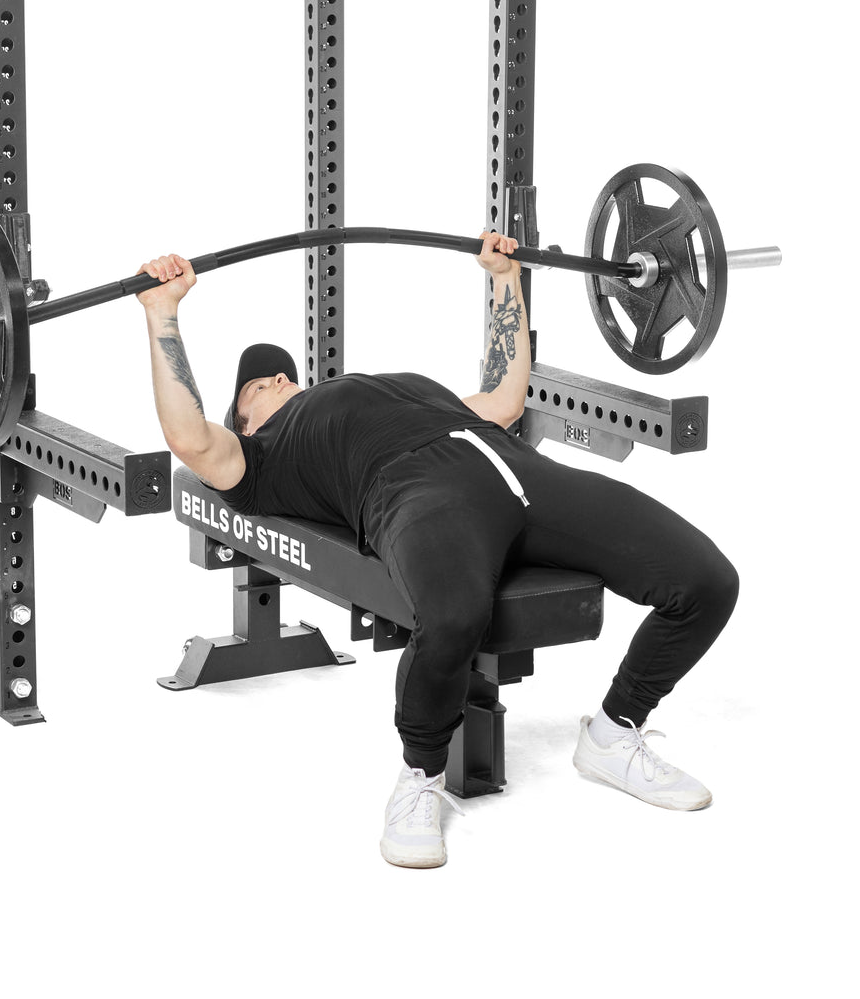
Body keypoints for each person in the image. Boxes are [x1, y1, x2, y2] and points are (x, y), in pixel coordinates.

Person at [136, 233, 739, 868]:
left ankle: (614, 735)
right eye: (256, 387)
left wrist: (503, 277)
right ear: (244, 421)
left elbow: (504, 399)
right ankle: (419, 777)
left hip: (511, 463)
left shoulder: (392, 389)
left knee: (706, 580)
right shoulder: (261, 459)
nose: (277, 379)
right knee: (452, 615)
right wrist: (163, 314)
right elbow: (190, 439)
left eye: (283, 373)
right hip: (413, 489)